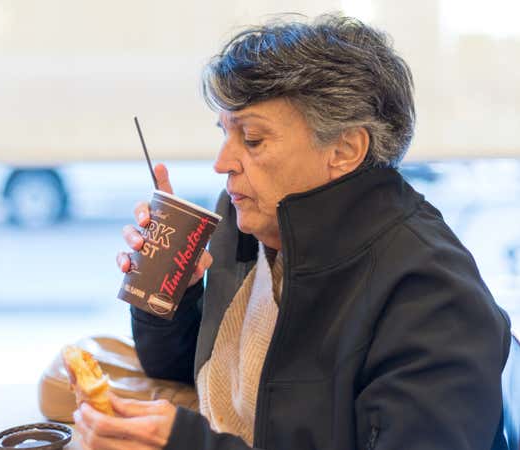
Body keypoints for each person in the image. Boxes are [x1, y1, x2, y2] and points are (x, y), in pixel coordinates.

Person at [73, 14, 512, 450]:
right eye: (224, 133)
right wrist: (172, 290)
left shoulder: (433, 296)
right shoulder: (252, 223)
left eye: (253, 139)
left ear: (345, 149)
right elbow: (185, 368)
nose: (221, 162)